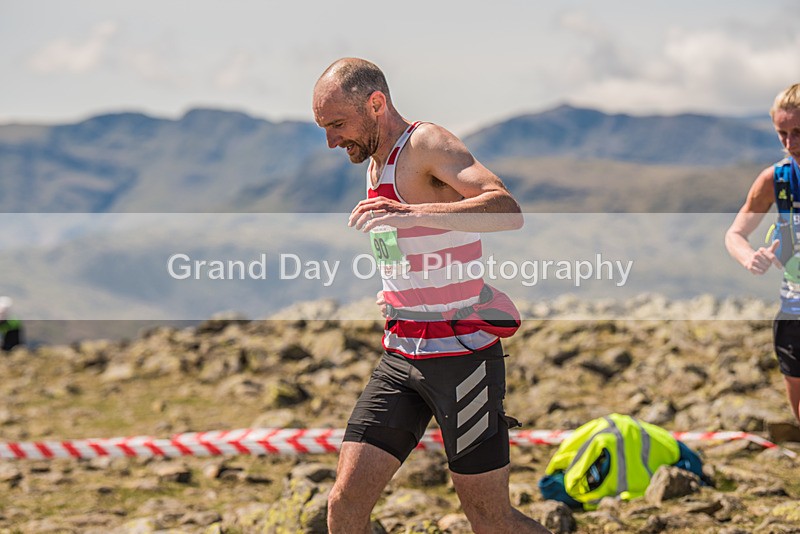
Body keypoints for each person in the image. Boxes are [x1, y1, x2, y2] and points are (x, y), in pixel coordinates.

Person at [313, 58, 549, 533]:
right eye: (324, 128)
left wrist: (408, 214)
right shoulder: (375, 162)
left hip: (463, 358)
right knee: (344, 506)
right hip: (400, 357)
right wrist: (397, 292)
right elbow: (399, 244)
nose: (331, 141)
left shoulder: (425, 144)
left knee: (490, 519)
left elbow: (506, 209)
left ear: (376, 103)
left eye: (337, 124)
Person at [725, 83, 800, 424]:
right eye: (782, 133)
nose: (790, 144)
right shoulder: (776, 180)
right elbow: (736, 233)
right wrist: (748, 256)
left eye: (799, 132)